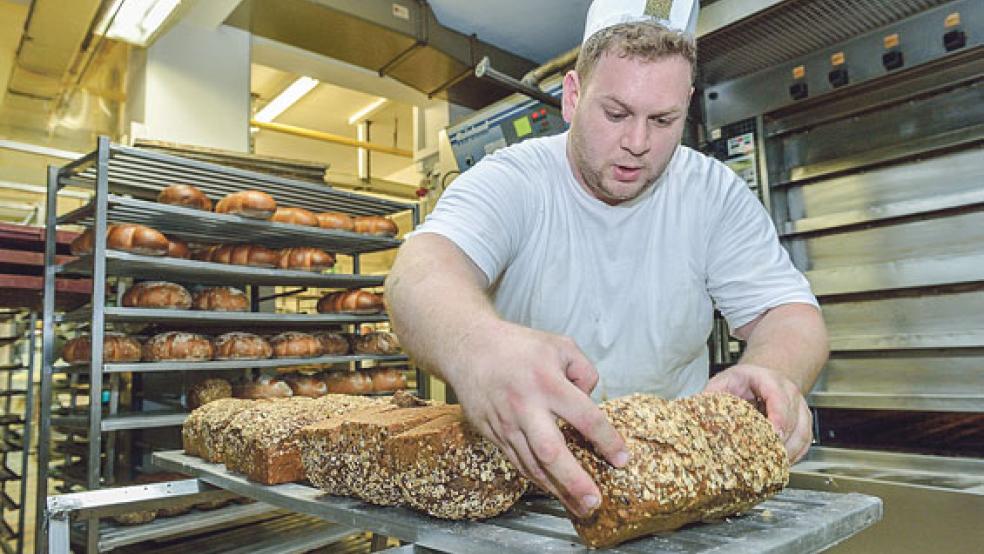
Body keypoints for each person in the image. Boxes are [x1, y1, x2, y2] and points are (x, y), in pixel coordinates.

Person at [385, 5, 828, 521]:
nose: (637, 143)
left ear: (686, 105)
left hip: (673, 494)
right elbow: (419, 273)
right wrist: (477, 348)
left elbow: (789, 314)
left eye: (663, 120)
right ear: (572, 96)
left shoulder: (712, 193)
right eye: (615, 113)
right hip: (527, 497)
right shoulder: (516, 179)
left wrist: (769, 371)